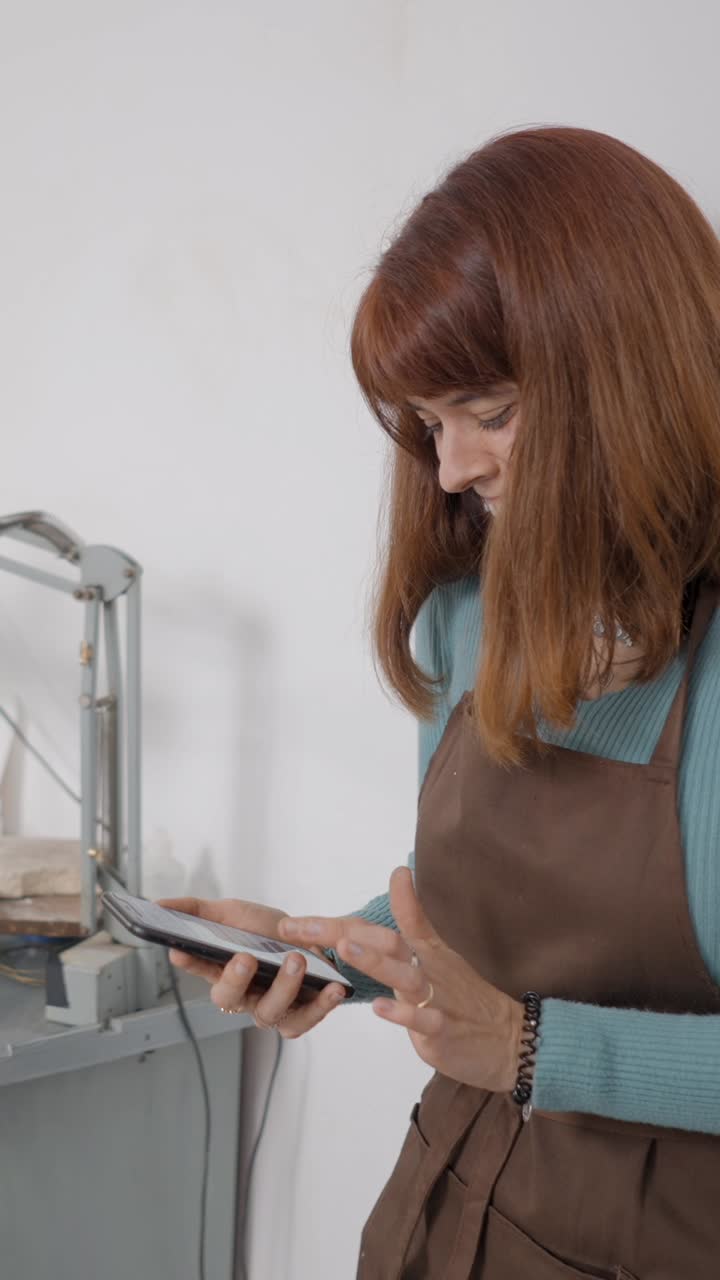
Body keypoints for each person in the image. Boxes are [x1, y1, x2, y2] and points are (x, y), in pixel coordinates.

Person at [162, 125, 720, 1278]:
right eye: (427, 423)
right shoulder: (469, 610)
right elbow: (479, 915)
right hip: (443, 1212)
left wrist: (532, 1047)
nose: (452, 467)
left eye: (491, 411)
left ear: (631, 371)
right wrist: (330, 948)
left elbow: (529, 1013)